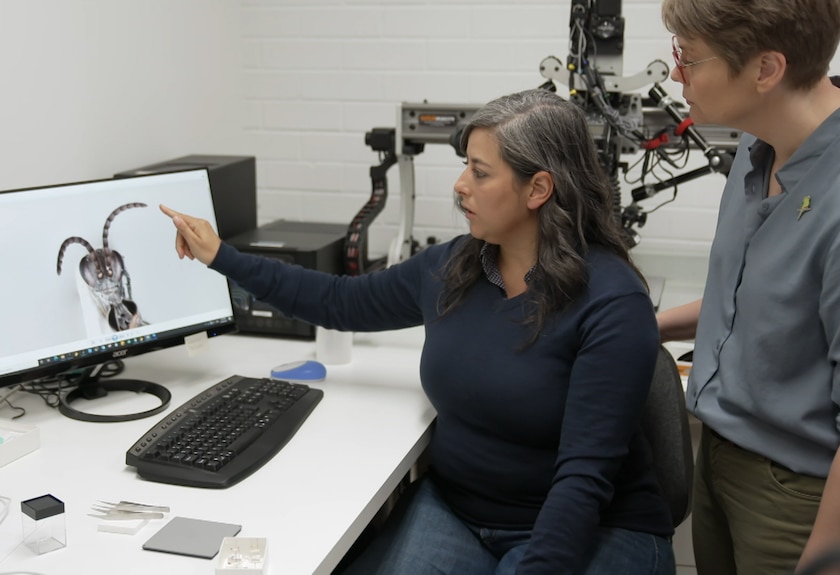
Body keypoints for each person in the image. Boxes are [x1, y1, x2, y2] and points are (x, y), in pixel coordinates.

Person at [161, 88, 675, 574]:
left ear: (538, 188)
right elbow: (341, 302)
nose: (460, 185)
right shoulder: (453, 266)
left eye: (479, 172)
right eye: (464, 167)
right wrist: (222, 257)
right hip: (459, 512)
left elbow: (584, 482)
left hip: (591, 526)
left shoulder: (610, 300)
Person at [656, 1, 840, 574]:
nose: (677, 75)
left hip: (797, 495)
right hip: (720, 460)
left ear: (766, 70)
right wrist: (643, 325)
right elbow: (752, 304)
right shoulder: (757, 144)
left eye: (689, 59)